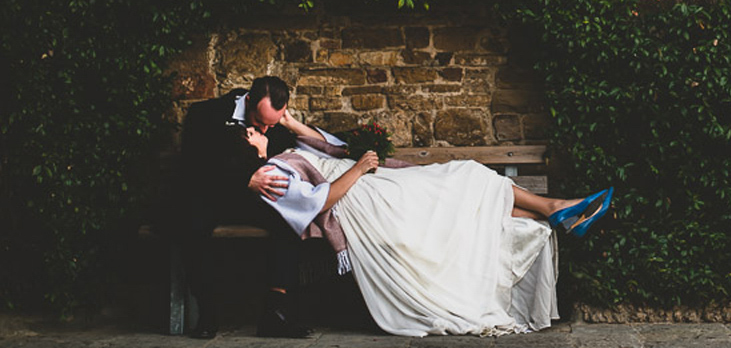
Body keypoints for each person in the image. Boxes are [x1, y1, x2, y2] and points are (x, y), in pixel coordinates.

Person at [217, 118, 613, 336]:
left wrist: (289, 120)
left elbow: (333, 147)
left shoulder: (285, 151)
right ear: (246, 143)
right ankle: (556, 211)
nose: (261, 130)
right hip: (363, 200)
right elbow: (318, 203)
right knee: (467, 176)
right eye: (254, 130)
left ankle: (557, 211)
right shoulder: (270, 173)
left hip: (372, 183)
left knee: (467, 179)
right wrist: (358, 170)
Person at [178, 76, 312, 338]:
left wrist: (265, 153)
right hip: (211, 195)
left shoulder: (275, 122)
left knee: (291, 219)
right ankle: (207, 312)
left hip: (253, 202)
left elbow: (286, 159)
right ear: (248, 100)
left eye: (270, 124)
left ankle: (276, 314)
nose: (264, 128)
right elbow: (194, 164)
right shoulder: (206, 114)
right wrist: (245, 180)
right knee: (193, 226)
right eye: (259, 122)